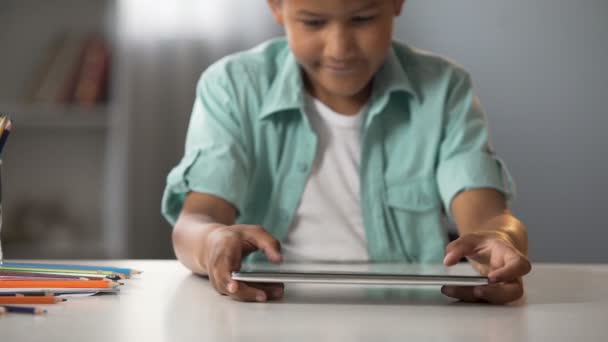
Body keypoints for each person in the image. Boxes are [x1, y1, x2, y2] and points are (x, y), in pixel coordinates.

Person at [162, 0, 531, 304]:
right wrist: (212, 241)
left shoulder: (444, 90)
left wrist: (501, 243)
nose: (340, 48)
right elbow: (195, 222)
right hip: (265, 313)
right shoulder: (231, 87)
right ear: (276, 6)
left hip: (407, 316)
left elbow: (489, 219)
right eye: (313, 22)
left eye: (363, 18)